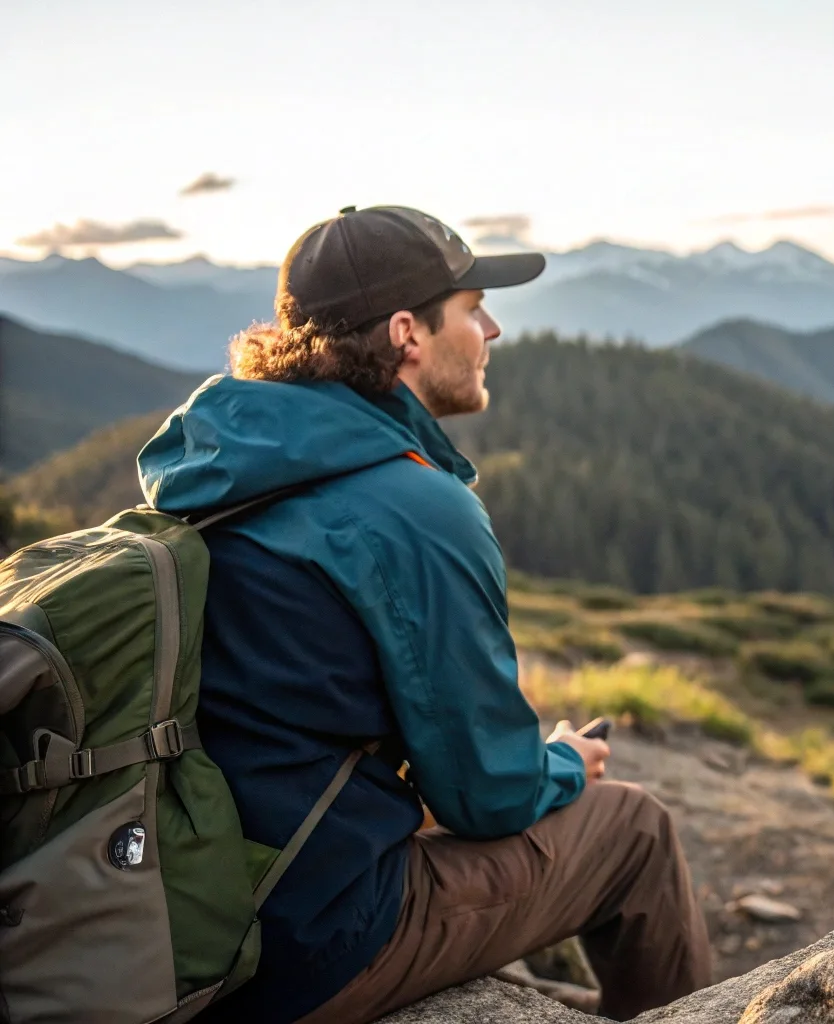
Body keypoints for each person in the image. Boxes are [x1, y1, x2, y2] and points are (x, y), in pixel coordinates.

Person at [139, 206, 713, 1023]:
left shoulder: (210, 465)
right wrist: (562, 764)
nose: (495, 329)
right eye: (474, 308)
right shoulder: (410, 507)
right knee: (635, 832)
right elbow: (489, 795)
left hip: (192, 905)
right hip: (307, 945)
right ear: (408, 332)